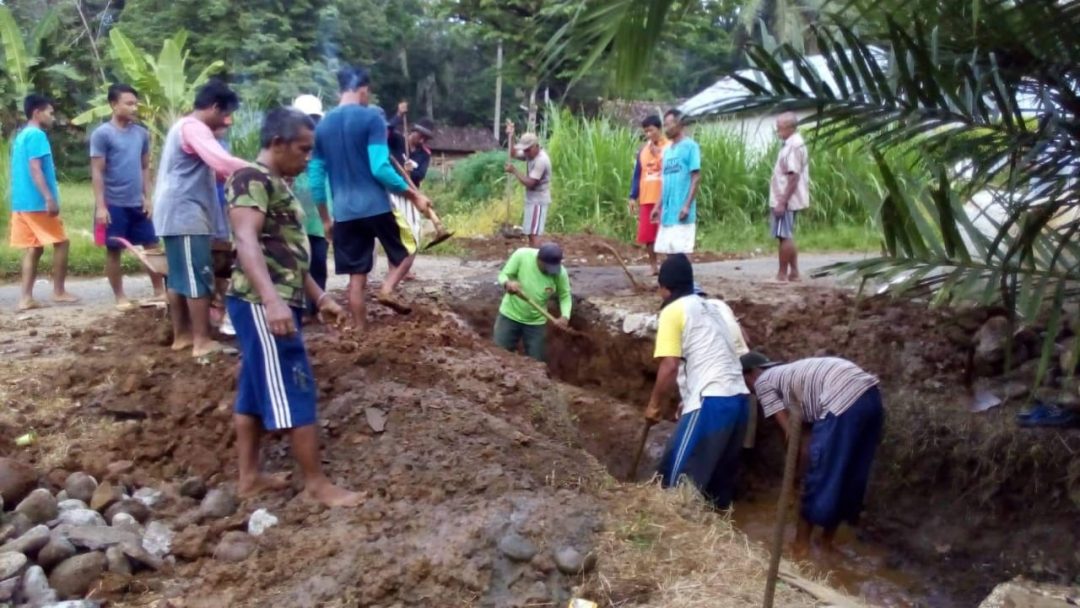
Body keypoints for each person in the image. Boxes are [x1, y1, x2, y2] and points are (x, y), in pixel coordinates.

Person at [226, 106, 361, 507]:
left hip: (278, 299)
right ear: (277, 143)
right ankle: (316, 484)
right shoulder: (250, 178)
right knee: (296, 382)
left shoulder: (276, 183)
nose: (307, 158)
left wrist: (320, 297)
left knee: (252, 392)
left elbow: (285, 254)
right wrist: (272, 301)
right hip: (261, 303)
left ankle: (249, 478)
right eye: (303, 150)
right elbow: (246, 242)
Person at [311, 66, 433, 329]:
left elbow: (316, 180)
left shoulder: (322, 127)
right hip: (376, 206)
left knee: (356, 277)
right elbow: (379, 167)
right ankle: (388, 288)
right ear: (362, 88)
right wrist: (413, 196)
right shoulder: (371, 119)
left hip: (343, 212)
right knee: (407, 249)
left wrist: (325, 220)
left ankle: (360, 330)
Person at [741, 352, 884, 556]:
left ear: (751, 375)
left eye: (746, 385)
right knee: (847, 476)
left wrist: (798, 482)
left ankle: (800, 545)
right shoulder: (794, 378)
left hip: (842, 399)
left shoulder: (763, 381)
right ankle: (826, 544)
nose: (750, 391)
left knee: (821, 475)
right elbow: (804, 439)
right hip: (871, 398)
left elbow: (791, 433)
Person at [152, 80, 248, 357]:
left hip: (177, 213)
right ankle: (201, 341)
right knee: (197, 276)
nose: (228, 122)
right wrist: (262, 172)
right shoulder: (194, 128)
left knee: (178, 278)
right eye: (226, 114)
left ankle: (183, 336)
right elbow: (223, 163)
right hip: (185, 214)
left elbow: (218, 171)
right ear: (215, 107)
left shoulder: (186, 128)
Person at [645, 254, 749, 509]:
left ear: (665, 288)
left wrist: (654, 405)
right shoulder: (717, 307)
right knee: (717, 484)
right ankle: (719, 538)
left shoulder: (672, 311)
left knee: (675, 479)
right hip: (741, 400)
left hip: (712, 401)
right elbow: (741, 344)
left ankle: (668, 532)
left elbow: (669, 366)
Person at [90, 84, 165, 311]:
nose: (134, 107)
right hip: (114, 204)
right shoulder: (102, 134)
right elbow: (97, 171)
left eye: (135, 103)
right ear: (114, 105)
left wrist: (148, 197)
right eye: (129, 103)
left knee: (152, 246)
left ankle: (159, 291)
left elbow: (144, 168)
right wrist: (101, 207)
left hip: (138, 202)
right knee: (114, 250)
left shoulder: (141, 134)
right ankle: (120, 296)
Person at [9, 94, 78, 310]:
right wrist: (49, 197)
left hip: (20, 201)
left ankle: (26, 298)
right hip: (37, 202)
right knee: (62, 242)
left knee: (34, 248)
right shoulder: (37, 135)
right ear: (37, 113)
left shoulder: (21, 136)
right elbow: (35, 168)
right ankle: (59, 291)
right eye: (49, 112)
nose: (52, 116)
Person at [290, 94, 333, 316]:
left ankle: (315, 308)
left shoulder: (323, 141)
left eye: (314, 118)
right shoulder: (287, 141)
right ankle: (299, 307)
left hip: (319, 209)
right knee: (296, 260)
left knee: (318, 259)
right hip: (295, 204)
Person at [494, 243, 571, 362]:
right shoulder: (522, 255)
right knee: (498, 355)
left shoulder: (560, 273)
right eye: (547, 267)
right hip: (510, 315)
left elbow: (565, 295)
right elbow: (503, 275)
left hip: (536, 323)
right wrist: (507, 283)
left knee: (537, 362)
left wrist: (565, 316)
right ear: (539, 260)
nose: (550, 272)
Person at [653, 110, 701, 257]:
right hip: (667, 213)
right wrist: (657, 206)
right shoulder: (667, 151)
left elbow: (696, 177)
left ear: (679, 124)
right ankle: (673, 281)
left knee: (682, 254)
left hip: (682, 212)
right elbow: (665, 181)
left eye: (668, 124)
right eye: (664, 125)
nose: (665, 129)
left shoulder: (690, 147)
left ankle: (686, 281)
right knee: (669, 252)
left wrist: (686, 205)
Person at [769, 112, 810, 282]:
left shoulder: (793, 146)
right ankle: (794, 273)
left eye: (780, 127)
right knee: (787, 234)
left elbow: (794, 176)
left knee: (783, 236)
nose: (777, 131)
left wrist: (782, 202)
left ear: (791, 128)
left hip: (785, 199)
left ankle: (782, 274)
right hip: (788, 198)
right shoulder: (793, 143)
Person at [628, 114, 669, 275]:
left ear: (659, 129)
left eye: (651, 130)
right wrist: (633, 196)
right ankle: (653, 267)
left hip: (664, 198)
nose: (648, 135)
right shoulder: (643, 151)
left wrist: (658, 153)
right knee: (648, 235)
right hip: (646, 198)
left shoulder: (669, 147)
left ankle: (668, 267)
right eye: (645, 132)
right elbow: (638, 174)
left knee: (665, 233)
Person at [505, 122, 552, 248]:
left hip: (538, 201)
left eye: (528, 149)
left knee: (535, 233)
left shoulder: (541, 160)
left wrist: (514, 171)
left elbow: (531, 183)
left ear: (536, 146)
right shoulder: (529, 154)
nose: (525, 152)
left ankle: (536, 259)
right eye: (524, 149)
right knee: (530, 233)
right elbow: (513, 153)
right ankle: (533, 258)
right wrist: (512, 135)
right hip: (531, 200)